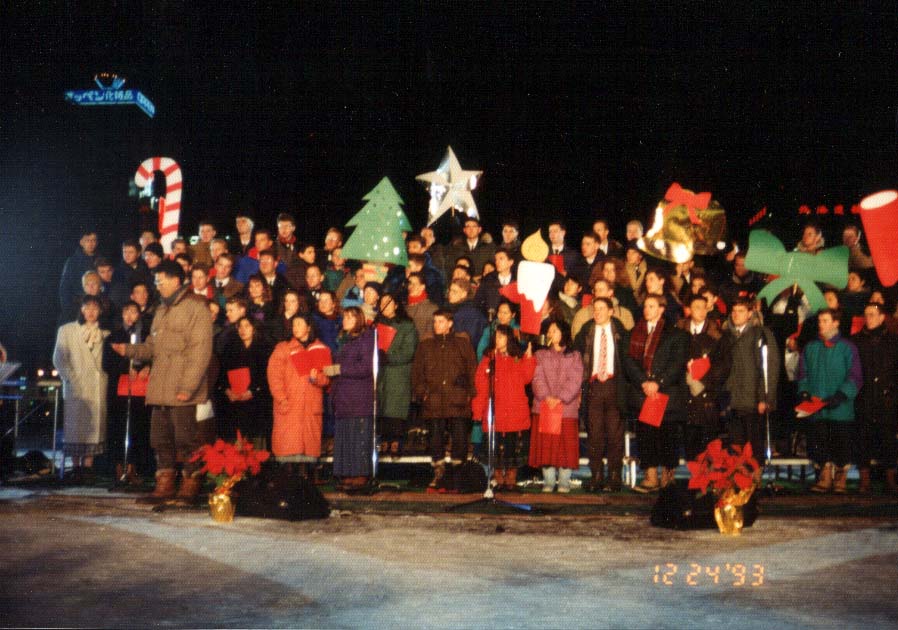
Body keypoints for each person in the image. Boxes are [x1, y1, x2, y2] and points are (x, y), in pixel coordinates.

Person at [112, 259, 213, 504]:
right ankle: (165, 484)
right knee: (160, 439)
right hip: (160, 388)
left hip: (182, 388)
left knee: (186, 440)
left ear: (176, 280)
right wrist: (128, 350)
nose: (157, 286)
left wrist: (188, 387)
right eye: (156, 281)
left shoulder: (196, 308)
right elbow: (151, 347)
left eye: (160, 281)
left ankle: (190, 483)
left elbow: (201, 351)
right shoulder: (160, 310)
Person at [623, 294, 689, 493]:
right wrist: (644, 382)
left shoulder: (676, 334)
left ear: (661, 309)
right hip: (645, 393)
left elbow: (677, 364)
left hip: (665, 393)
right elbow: (629, 361)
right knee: (646, 435)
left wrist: (657, 383)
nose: (646, 310)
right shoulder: (635, 332)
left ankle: (667, 476)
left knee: (668, 434)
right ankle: (650, 476)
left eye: (651, 306)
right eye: (645, 306)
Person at [798, 308, 862, 494]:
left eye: (825, 320)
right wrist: (804, 392)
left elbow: (855, 377)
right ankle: (825, 474)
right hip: (817, 406)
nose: (821, 324)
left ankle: (841, 475)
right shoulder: (811, 347)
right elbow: (803, 375)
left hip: (840, 407)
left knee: (841, 442)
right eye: (820, 321)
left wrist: (842, 395)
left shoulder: (847, 347)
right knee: (820, 441)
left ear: (836, 323)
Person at [412, 309, 477, 490]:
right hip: (433, 400)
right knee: (435, 440)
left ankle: (458, 476)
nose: (437, 325)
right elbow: (417, 372)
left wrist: (469, 392)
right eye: (435, 322)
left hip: (457, 399)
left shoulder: (462, 344)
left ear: (450, 323)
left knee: (460, 439)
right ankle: (438, 473)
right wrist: (421, 392)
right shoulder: (426, 345)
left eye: (441, 321)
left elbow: (473, 369)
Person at [574, 298, 629, 492]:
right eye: (594, 309)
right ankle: (596, 474)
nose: (597, 313)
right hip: (594, 386)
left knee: (615, 434)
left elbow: (627, 360)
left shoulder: (620, 331)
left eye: (601, 309)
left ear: (611, 311)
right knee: (594, 434)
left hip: (615, 386)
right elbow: (578, 360)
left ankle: (614, 476)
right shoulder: (586, 331)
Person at [53, 295, 110, 481]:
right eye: (88, 307)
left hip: (96, 386)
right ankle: (76, 466)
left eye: (95, 308)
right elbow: (59, 358)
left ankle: (88, 467)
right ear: (82, 309)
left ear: (100, 311)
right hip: (75, 386)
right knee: (75, 426)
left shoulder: (106, 332)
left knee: (94, 426)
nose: (91, 312)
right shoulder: (67, 330)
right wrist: (71, 378)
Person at [267, 314, 333, 473]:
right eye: (293, 324)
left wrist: (317, 378)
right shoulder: (283, 348)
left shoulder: (322, 349)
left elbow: (327, 379)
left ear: (309, 327)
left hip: (311, 406)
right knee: (288, 450)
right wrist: (281, 398)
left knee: (308, 452)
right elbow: (274, 376)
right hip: (289, 405)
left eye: (299, 324)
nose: (295, 327)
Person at [472, 326, 534, 491]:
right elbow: (481, 386)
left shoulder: (518, 358)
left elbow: (527, 378)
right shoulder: (488, 359)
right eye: (496, 336)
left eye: (501, 336)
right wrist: (478, 410)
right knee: (496, 446)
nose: (497, 339)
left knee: (513, 446)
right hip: (495, 411)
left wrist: (528, 358)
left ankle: (511, 479)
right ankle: (499, 479)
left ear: (509, 339)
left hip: (515, 411)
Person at [720, 297, 778, 475]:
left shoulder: (760, 334)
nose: (736, 315)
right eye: (734, 311)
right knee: (735, 443)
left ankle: (754, 477)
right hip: (732, 398)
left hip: (753, 398)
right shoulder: (727, 336)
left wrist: (765, 397)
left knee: (754, 442)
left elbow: (769, 367)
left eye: (741, 311)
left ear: (750, 313)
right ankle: (739, 478)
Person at [102, 301, 153, 483]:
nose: (130, 316)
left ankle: (135, 467)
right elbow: (107, 363)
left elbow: (154, 356)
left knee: (139, 427)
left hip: (141, 387)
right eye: (126, 312)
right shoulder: (114, 336)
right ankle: (119, 465)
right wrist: (125, 368)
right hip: (120, 388)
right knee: (119, 426)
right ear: (122, 314)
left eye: (134, 312)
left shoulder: (146, 336)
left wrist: (148, 367)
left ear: (139, 314)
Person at [529, 320, 583, 493]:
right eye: (549, 331)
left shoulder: (575, 356)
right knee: (546, 446)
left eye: (555, 330)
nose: (551, 334)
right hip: (544, 407)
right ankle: (549, 481)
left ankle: (564, 482)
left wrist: (560, 398)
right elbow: (536, 378)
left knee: (565, 447)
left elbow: (575, 380)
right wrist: (546, 397)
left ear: (564, 333)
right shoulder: (540, 355)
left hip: (566, 409)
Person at [853, 302, 898, 494]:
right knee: (863, 438)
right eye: (866, 315)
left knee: (888, 438)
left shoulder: (894, 341)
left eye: (872, 314)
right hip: (864, 395)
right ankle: (865, 481)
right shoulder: (856, 341)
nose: (868, 318)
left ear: (882, 318)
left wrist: (892, 390)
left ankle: (890, 480)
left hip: (886, 396)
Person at [330, 307, 376, 490]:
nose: (346, 319)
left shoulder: (366, 339)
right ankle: (347, 473)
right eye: (345, 316)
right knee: (346, 435)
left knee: (358, 435)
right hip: (344, 396)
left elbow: (366, 367)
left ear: (359, 319)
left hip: (358, 396)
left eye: (350, 317)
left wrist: (340, 369)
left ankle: (360, 474)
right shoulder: (344, 340)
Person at [679, 293, 729, 460]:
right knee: (690, 440)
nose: (700, 311)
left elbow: (723, 364)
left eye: (703, 307)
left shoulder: (717, 334)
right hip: (686, 394)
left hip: (708, 394)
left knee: (708, 441)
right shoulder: (679, 331)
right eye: (696, 307)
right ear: (689, 310)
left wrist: (704, 382)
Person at [375, 294, 419, 456]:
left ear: (396, 305)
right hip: (381, 374)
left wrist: (388, 357)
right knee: (382, 407)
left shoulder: (407, 326)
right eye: (382, 302)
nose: (384, 306)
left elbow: (408, 351)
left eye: (389, 302)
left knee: (396, 409)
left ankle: (396, 441)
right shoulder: (376, 325)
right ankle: (384, 441)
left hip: (398, 373)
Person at [220, 317, 273, 448]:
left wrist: (252, 391)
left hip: (256, 401)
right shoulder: (230, 349)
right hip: (234, 401)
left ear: (254, 328)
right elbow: (222, 374)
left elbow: (266, 375)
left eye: (247, 326)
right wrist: (228, 391)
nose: (243, 330)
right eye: (240, 327)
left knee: (255, 445)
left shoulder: (264, 349)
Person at [59, 229, 98, 323]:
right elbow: (64, 289)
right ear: (81, 242)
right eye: (87, 240)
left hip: (96, 308)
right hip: (77, 309)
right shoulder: (73, 262)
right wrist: (70, 312)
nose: (91, 243)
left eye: (93, 240)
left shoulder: (100, 260)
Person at [447, 278, 487, 353]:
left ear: (464, 294)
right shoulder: (458, 309)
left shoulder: (468, 313)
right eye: (450, 290)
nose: (450, 294)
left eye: (454, 292)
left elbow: (469, 341)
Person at [405, 271, 439, 341]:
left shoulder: (431, 308)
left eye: (414, 284)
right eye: (410, 283)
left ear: (422, 287)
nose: (410, 287)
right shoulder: (404, 307)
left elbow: (430, 336)